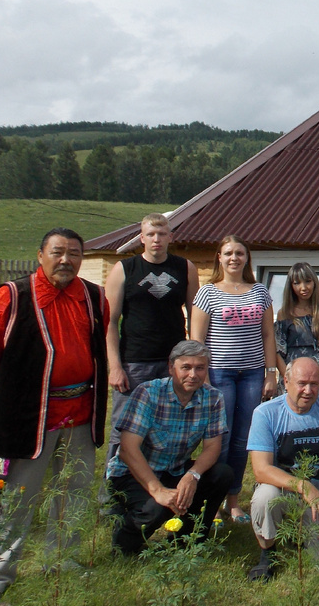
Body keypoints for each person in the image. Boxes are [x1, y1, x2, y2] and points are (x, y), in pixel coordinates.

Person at [0, 227, 109, 599]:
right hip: (30, 417)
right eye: (58, 252)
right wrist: (23, 389)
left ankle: (62, 561)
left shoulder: (94, 297)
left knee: (75, 491)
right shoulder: (12, 296)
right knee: (16, 497)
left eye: (74, 254)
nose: (66, 260)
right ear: (40, 255)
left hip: (81, 412)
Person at [105, 341, 233, 554]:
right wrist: (158, 491)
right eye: (186, 367)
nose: (193, 374)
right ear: (171, 368)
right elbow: (128, 449)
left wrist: (192, 476)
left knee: (222, 474)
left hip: (175, 469)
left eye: (200, 368)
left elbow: (212, 447)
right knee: (155, 510)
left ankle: (188, 540)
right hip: (132, 473)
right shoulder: (148, 393)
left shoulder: (213, 398)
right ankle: (125, 537)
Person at [190, 236, 278, 525]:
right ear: (219, 257)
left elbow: (268, 335)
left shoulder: (260, 292)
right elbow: (197, 340)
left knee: (243, 440)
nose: (234, 258)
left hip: (252, 374)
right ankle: (211, 502)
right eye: (228, 253)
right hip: (219, 374)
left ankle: (233, 500)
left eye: (240, 253)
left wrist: (270, 372)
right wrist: (200, 375)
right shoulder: (208, 293)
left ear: (247, 258)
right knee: (220, 439)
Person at [104, 213, 199, 467]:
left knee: (169, 429)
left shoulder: (185, 268)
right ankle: (113, 498)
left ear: (170, 237)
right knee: (125, 432)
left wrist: (194, 360)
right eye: (150, 234)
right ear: (142, 238)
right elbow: (110, 323)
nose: (156, 239)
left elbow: (195, 316)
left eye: (161, 234)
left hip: (173, 364)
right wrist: (115, 367)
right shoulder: (124, 269)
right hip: (135, 363)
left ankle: (161, 488)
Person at [246, 357, 319, 579]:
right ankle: (268, 553)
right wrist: (302, 486)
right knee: (265, 496)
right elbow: (261, 470)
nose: (308, 390)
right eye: (302, 383)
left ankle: (300, 536)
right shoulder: (266, 413)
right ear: (286, 381)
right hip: (284, 493)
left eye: (315, 384)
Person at [277, 261, 319, 396]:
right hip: (292, 379)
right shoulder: (284, 313)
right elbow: (278, 353)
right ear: (290, 286)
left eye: (307, 281)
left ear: (314, 282)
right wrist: (288, 379)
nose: (303, 287)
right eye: (297, 283)